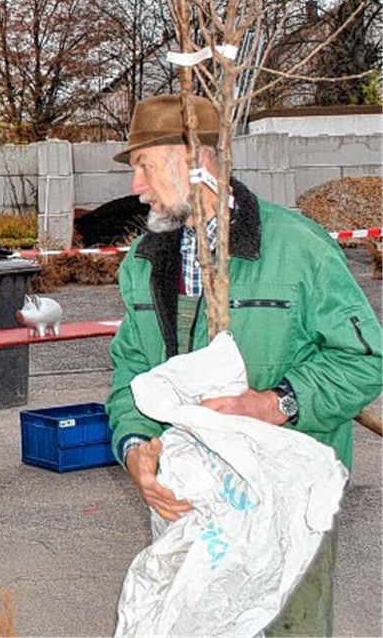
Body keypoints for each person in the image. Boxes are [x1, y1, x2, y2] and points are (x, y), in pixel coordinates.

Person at [107, 94, 382, 637]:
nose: (136, 185)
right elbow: (131, 372)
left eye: (143, 164)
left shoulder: (297, 247)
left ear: (195, 158)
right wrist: (136, 446)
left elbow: (364, 357)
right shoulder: (143, 264)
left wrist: (275, 403)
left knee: (288, 628)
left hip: (287, 501)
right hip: (191, 499)